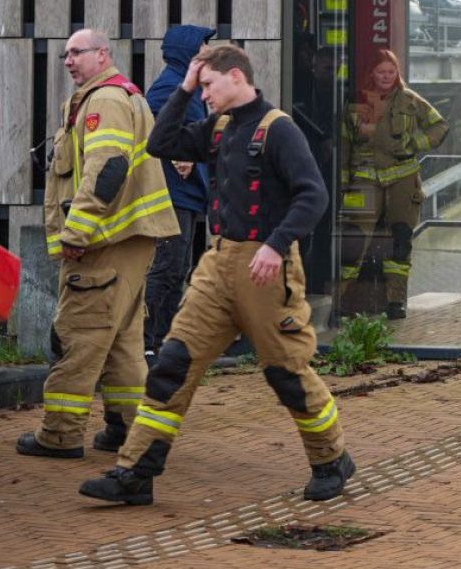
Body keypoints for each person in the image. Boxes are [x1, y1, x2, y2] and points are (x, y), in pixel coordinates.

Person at [79, 42, 354, 506]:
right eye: (200, 86)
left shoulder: (279, 129)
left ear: (236, 77)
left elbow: (313, 196)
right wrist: (185, 88)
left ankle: (331, 459)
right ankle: (135, 473)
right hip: (217, 265)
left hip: (265, 268)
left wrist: (275, 244)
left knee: (286, 372)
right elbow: (161, 144)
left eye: (208, 85)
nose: (204, 94)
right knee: (172, 365)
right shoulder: (219, 126)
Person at [17, 30, 180, 459]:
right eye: (65, 54)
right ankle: (130, 430)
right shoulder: (116, 96)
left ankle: (60, 434)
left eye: (77, 52)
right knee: (123, 341)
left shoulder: (104, 100)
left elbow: (107, 170)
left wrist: (76, 232)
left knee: (80, 334)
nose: (68, 60)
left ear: (103, 54)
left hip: (102, 242)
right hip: (128, 242)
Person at [339, 49, 448, 319]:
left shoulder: (410, 100)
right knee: (353, 243)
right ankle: (340, 301)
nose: (387, 77)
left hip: (403, 178)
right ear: (371, 73)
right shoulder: (355, 102)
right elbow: (344, 144)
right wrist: (343, 182)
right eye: (381, 72)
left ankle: (396, 302)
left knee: (400, 240)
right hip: (364, 178)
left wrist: (414, 144)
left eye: (391, 71)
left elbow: (439, 126)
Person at [144, 25, 217, 358]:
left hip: (184, 195)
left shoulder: (186, 84)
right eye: (202, 45)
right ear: (186, 50)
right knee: (167, 268)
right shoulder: (170, 85)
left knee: (175, 270)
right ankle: (148, 343)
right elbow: (151, 128)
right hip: (171, 195)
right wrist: (175, 154)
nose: (207, 50)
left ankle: (162, 341)